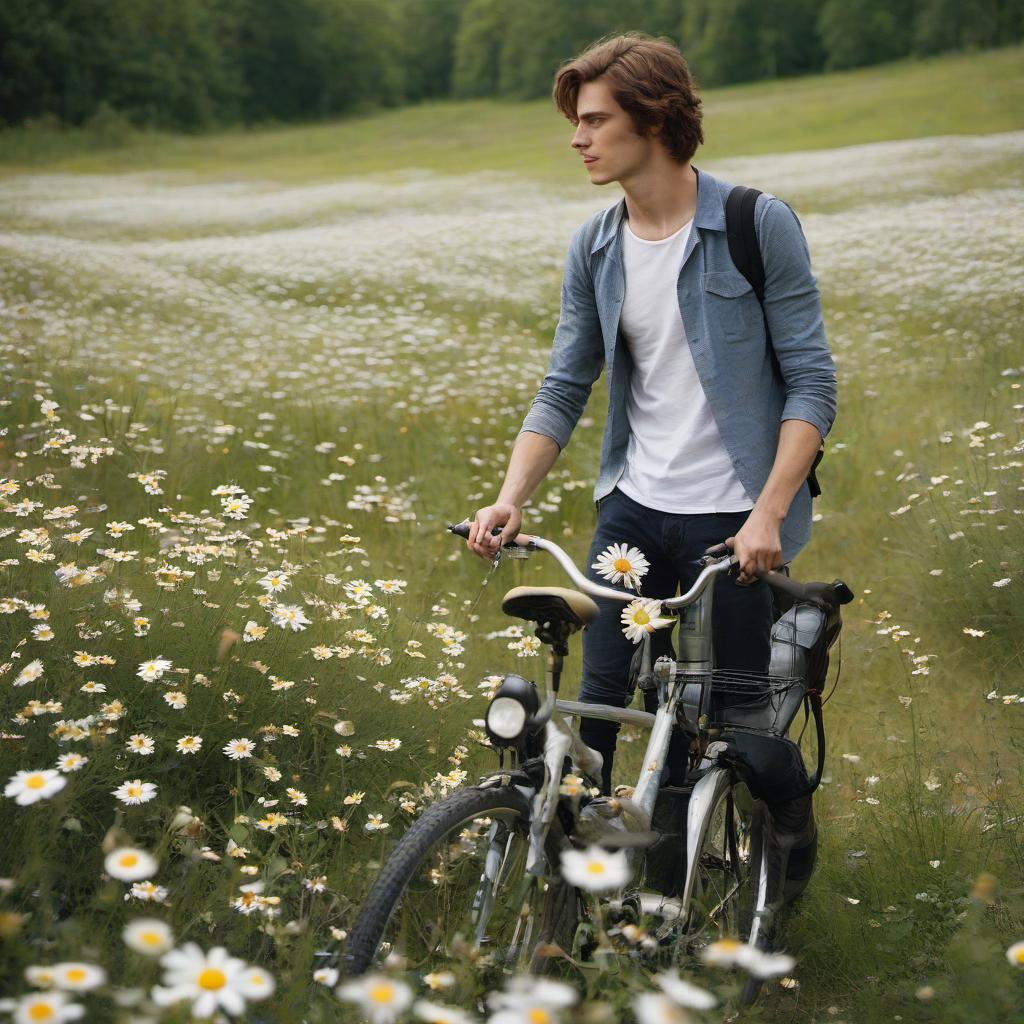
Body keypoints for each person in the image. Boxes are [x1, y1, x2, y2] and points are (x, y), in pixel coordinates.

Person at [467, 33, 837, 799]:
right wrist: (511, 497)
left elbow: (811, 386)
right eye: (577, 121)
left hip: (734, 522)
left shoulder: (755, 224)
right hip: (632, 514)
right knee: (594, 710)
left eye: (596, 120)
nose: (578, 138)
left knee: (720, 731)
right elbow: (563, 386)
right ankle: (578, 889)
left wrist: (768, 515)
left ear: (656, 121)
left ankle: (738, 865)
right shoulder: (596, 246)